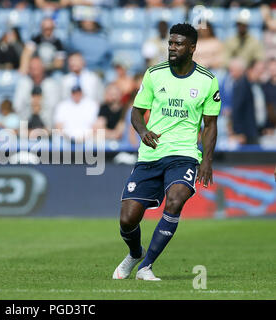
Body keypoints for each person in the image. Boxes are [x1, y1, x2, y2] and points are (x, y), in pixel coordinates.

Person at [112, 23, 221, 281]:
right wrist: (142, 132)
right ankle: (135, 252)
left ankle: (146, 267)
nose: (172, 48)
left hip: (184, 154)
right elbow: (136, 112)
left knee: (175, 200)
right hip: (151, 153)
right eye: (171, 43)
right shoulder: (154, 74)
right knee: (128, 220)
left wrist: (206, 160)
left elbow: (210, 125)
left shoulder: (207, 80)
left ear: (192, 47)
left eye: (179, 43)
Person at [13, 56, 60, 130]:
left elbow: (54, 106)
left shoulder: (51, 84)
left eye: (37, 67)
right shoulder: (23, 83)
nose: (34, 70)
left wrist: (40, 105)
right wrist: (32, 105)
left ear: (43, 68)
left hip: (47, 124)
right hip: (26, 122)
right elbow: (17, 106)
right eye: (32, 67)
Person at [231, 60, 266, 145]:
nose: (261, 73)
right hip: (246, 133)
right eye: (258, 70)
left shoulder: (258, 85)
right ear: (250, 70)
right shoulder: (242, 85)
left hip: (258, 130)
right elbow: (236, 109)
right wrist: (239, 132)